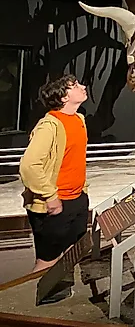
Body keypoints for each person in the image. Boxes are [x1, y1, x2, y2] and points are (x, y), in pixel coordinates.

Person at [20, 74, 89, 280]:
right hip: (54, 205)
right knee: (47, 261)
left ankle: (61, 298)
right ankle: (26, 304)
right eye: (75, 86)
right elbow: (29, 166)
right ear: (63, 98)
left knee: (72, 253)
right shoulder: (48, 126)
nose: (82, 87)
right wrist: (50, 196)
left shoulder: (79, 119)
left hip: (77, 199)